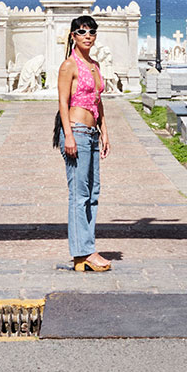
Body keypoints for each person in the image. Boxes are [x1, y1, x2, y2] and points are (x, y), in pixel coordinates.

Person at [56, 14, 111, 272]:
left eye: (91, 31)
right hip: (76, 131)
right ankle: (83, 251)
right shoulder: (69, 65)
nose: (87, 36)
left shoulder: (94, 65)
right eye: (81, 32)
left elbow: (98, 101)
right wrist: (68, 134)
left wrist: (104, 131)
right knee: (79, 194)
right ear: (73, 36)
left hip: (91, 133)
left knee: (93, 193)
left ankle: (85, 250)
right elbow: (63, 101)